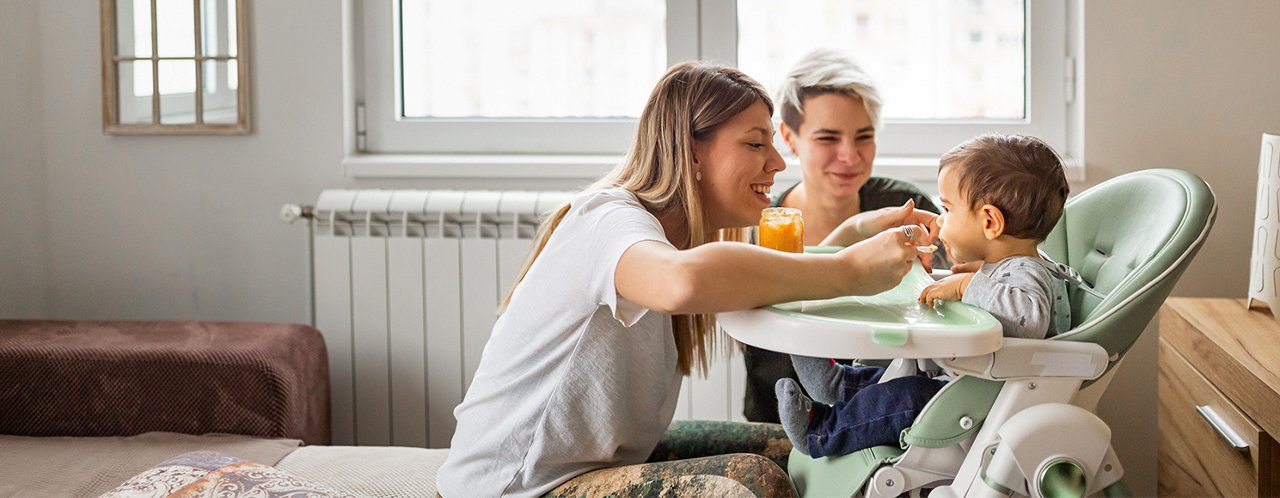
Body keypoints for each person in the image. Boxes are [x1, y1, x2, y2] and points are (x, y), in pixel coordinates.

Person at [435, 61, 934, 498]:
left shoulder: (679, 240)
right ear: (691, 152)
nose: (779, 163)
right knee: (756, 483)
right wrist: (847, 271)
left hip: (602, 465)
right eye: (756, 143)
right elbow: (681, 284)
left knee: (807, 445)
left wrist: (848, 236)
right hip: (516, 487)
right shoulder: (609, 218)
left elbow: (766, 279)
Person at [776, 133, 1077, 458]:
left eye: (947, 208)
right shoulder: (1007, 268)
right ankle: (837, 384)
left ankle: (822, 432)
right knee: (897, 380)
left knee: (906, 398)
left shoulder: (1027, 270)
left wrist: (966, 287)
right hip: (963, 384)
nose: (941, 219)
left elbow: (1028, 319)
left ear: (990, 221)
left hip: (985, 402)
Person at [743, 48, 949, 423]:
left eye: (863, 136)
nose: (850, 156)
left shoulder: (904, 208)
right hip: (785, 424)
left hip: (897, 420)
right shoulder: (761, 224)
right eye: (828, 138)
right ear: (789, 136)